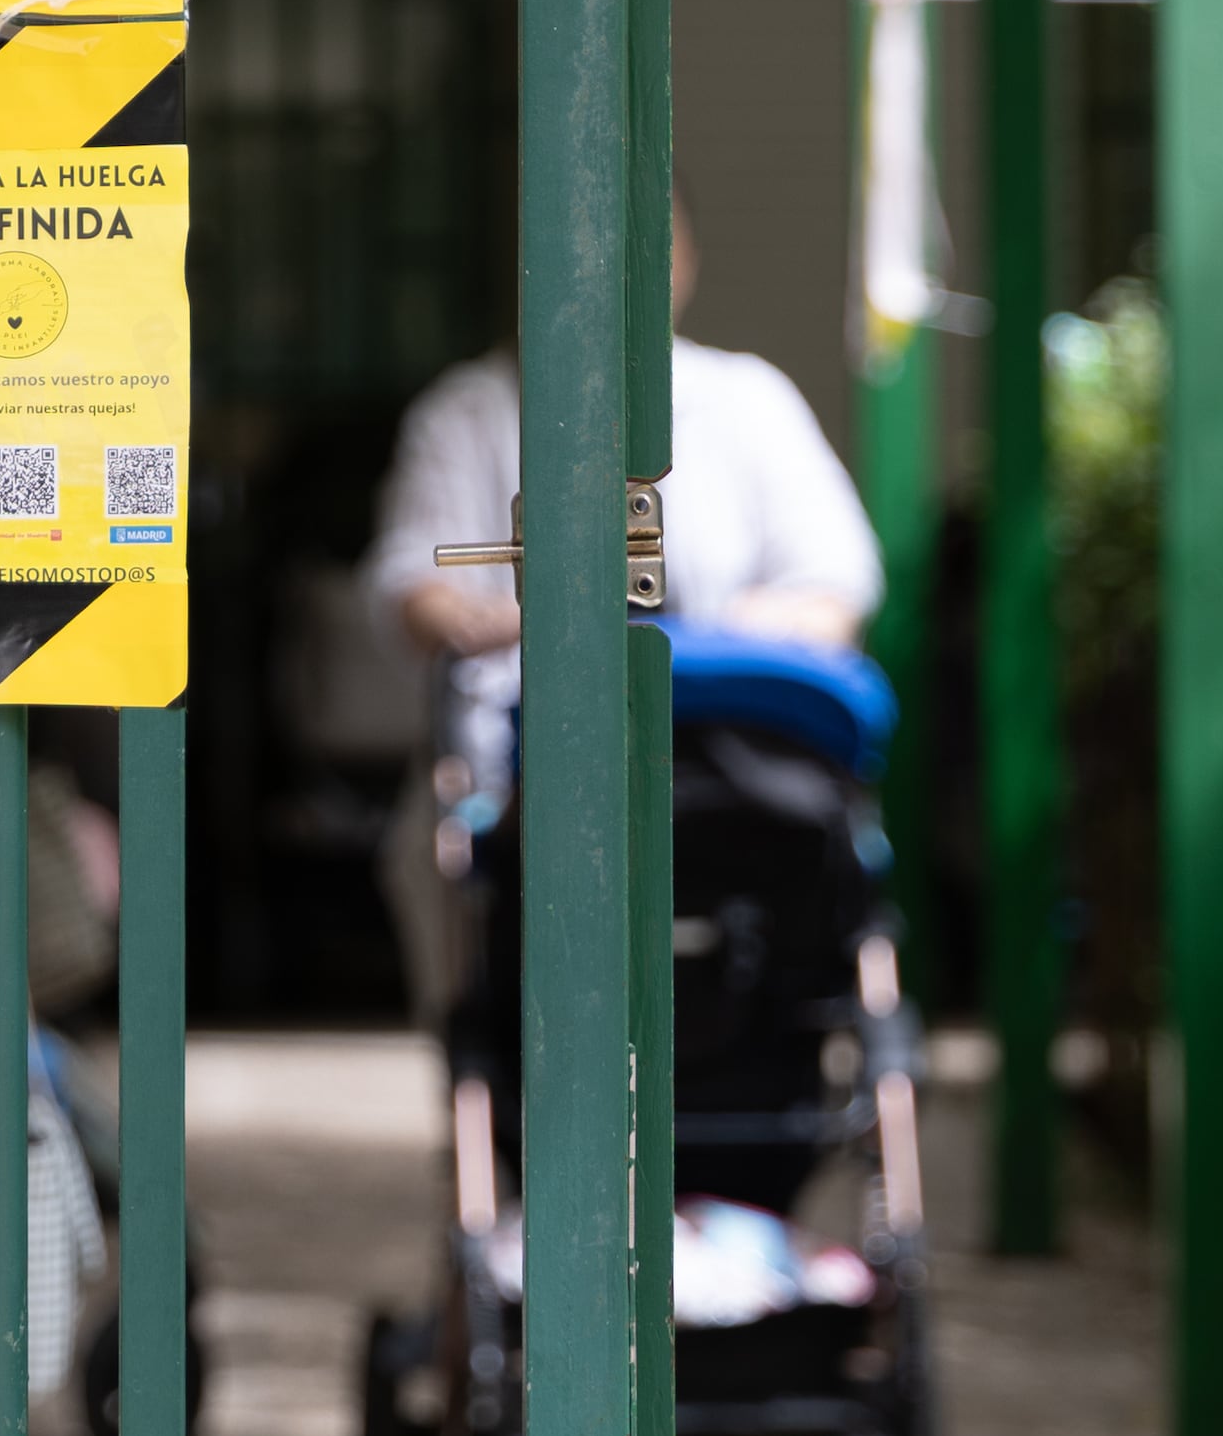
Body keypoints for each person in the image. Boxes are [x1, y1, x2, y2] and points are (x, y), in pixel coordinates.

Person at [360, 200, 883, 1011]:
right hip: (524, 764)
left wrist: (709, 648)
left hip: (735, 760)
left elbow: (837, 587)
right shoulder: (467, 410)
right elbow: (413, 587)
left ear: (685, 260)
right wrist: (557, 624)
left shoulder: (748, 398)